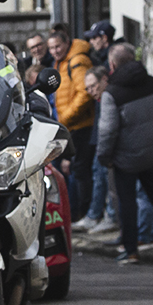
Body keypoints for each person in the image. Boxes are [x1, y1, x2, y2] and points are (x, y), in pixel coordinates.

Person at [98, 43, 153, 265]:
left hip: (125, 157)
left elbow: (107, 131)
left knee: (127, 202)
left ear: (112, 64)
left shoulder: (112, 93)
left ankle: (131, 249)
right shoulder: (152, 82)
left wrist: (104, 156)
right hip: (152, 150)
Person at [48, 29, 95, 220]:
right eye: (51, 48)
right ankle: (73, 212)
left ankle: (81, 213)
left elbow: (84, 93)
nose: (55, 51)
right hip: (69, 126)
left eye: (58, 46)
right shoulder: (62, 62)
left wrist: (65, 118)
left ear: (67, 43)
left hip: (79, 126)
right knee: (69, 171)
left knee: (78, 171)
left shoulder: (77, 61)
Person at [71, 67, 116, 233]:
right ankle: (95, 215)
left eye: (93, 86)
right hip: (99, 143)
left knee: (107, 181)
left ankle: (109, 217)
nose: (91, 91)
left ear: (104, 79)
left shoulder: (109, 96)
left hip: (107, 145)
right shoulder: (100, 99)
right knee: (99, 178)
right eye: (88, 88)